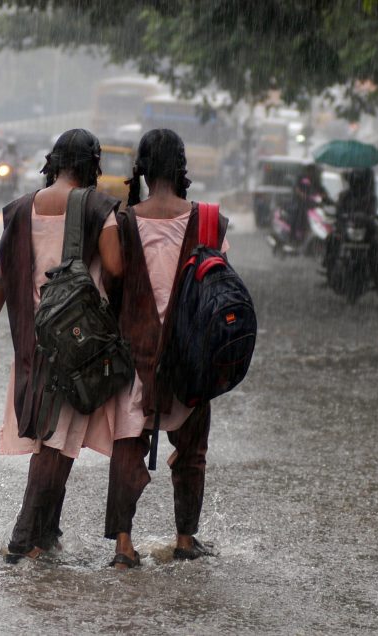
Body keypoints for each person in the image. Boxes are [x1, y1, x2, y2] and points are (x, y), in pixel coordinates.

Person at [0, 129, 123, 563]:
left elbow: (2, 279)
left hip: (33, 341)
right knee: (55, 444)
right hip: (77, 342)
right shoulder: (98, 207)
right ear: (93, 165)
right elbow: (115, 267)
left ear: (53, 163)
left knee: (57, 439)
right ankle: (23, 542)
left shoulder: (20, 209)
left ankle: (47, 534)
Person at [105, 128, 230, 569]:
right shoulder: (210, 221)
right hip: (190, 357)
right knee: (192, 451)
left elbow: (110, 285)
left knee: (127, 445)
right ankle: (184, 539)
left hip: (133, 354)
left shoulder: (122, 221)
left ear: (140, 167)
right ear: (182, 168)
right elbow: (221, 289)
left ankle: (123, 545)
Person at [325, 167, 378, 300]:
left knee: (376, 257)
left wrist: (364, 218)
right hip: (346, 232)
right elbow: (338, 214)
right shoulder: (344, 196)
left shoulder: (370, 198)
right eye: (354, 182)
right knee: (331, 240)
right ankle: (330, 270)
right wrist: (341, 221)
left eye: (358, 182)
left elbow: (372, 214)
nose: (356, 185)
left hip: (366, 235)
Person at [288, 163, 331, 244]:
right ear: (307, 171)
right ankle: (292, 236)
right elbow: (296, 188)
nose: (311, 173)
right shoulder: (301, 177)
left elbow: (321, 189)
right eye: (310, 171)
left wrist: (324, 195)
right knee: (298, 216)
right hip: (300, 202)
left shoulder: (314, 180)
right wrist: (301, 194)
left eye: (313, 171)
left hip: (311, 203)